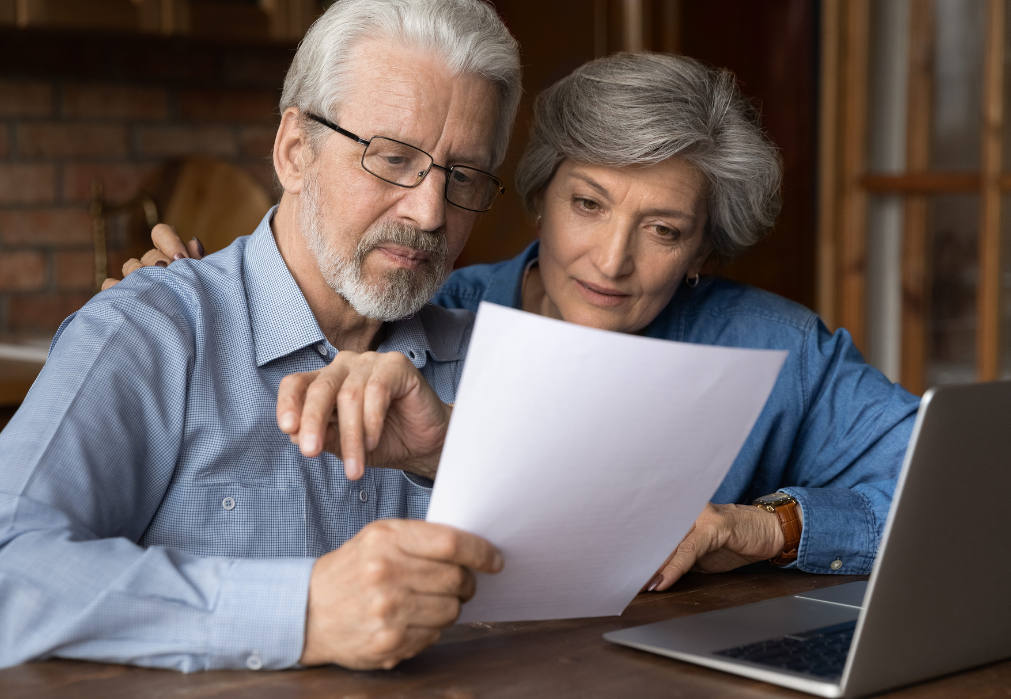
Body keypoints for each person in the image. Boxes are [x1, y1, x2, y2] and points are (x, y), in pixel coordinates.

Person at [243, 52, 920, 591]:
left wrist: (768, 527)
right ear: (541, 195)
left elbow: (955, 493)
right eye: (589, 204)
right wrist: (182, 283)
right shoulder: (424, 311)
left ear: (700, 252)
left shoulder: (777, 346)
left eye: (662, 228)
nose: (611, 259)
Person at [0, 0, 522, 672]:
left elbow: (599, 564)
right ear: (295, 151)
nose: (429, 211)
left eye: (463, 177)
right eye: (392, 159)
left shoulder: (493, 361)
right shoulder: (151, 331)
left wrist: (453, 453)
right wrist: (304, 610)